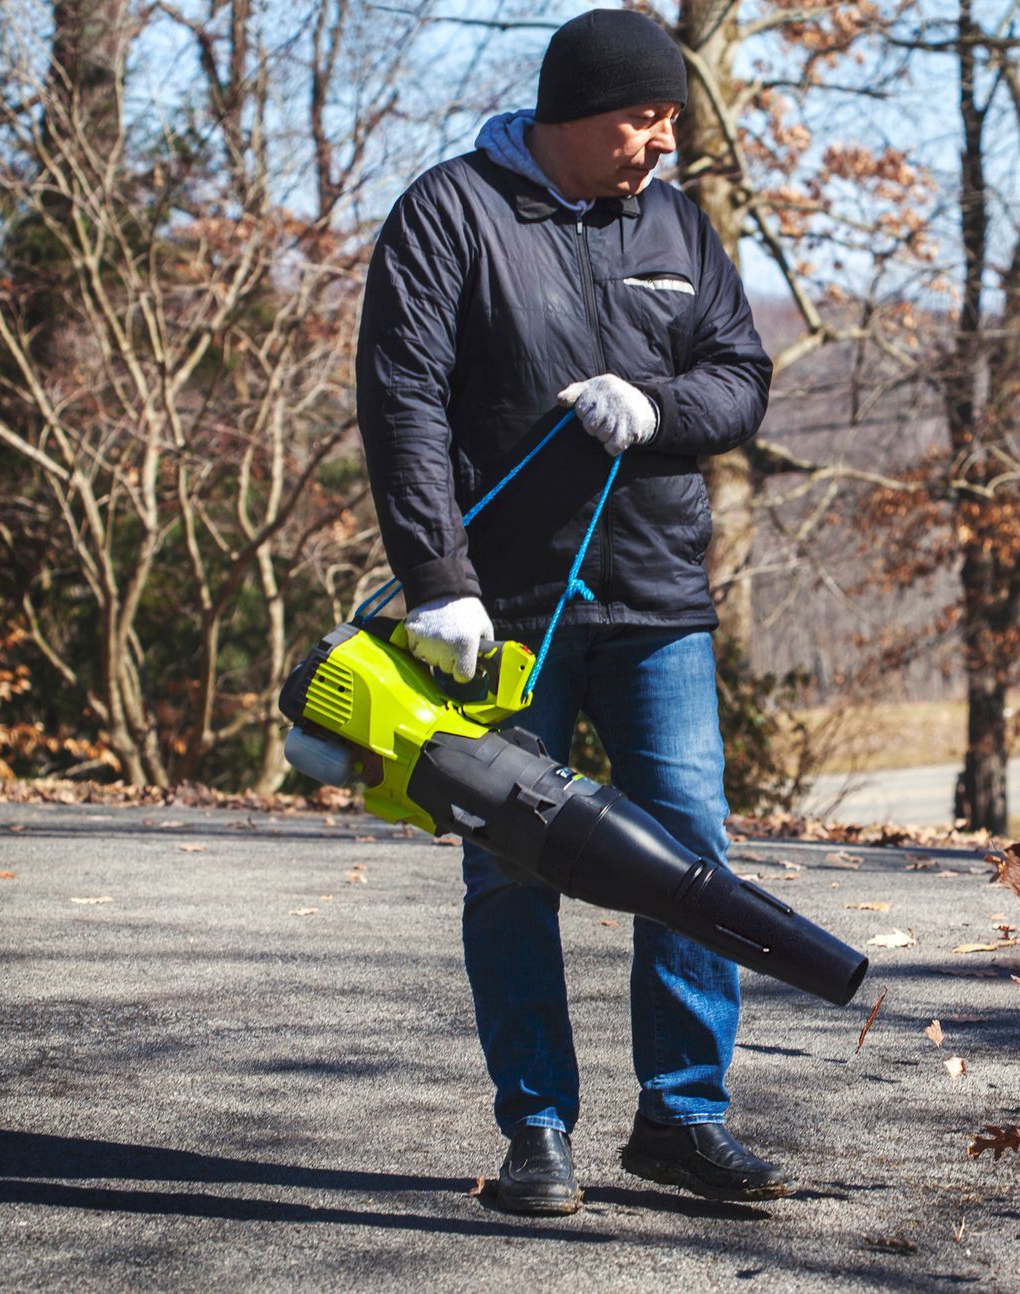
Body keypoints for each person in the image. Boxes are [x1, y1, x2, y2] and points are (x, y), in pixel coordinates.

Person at [355, 9, 788, 1216]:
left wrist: (659, 409)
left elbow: (740, 376)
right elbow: (402, 407)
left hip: (657, 601)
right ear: (575, 109)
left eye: (670, 122)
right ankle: (537, 1128)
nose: (660, 143)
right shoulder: (451, 214)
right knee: (510, 866)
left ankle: (684, 1118)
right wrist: (440, 581)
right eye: (644, 119)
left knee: (692, 852)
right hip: (504, 615)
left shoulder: (675, 222)